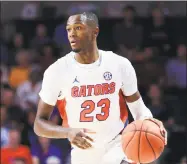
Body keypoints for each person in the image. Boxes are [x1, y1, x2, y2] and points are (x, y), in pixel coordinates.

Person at [34, 12, 167, 164]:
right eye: (69, 29)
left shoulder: (119, 64)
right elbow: (39, 124)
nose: (72, 34)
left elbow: (138, 109)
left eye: (78, 28)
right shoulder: (57, 70)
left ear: (95, 31)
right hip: (83, 152)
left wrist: (151, 123)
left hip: (117, 145)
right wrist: (68, 132)